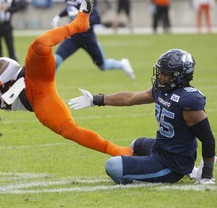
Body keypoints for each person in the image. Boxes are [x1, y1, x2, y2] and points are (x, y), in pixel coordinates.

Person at [0, 0, 133, 157]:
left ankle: (78, 23)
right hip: (37, 101)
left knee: (40, 45)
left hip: (32, 77)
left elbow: (12, 66)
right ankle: (119, 151)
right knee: (69, 130)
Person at [68, 49, 216, 184]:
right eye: (160, 71)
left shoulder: (188, 101)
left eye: (165, 74)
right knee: (135, 144)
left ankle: (174, 174)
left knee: (113, 166)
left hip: (172, 164)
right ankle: (173, 170)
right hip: (161, 149)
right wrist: (96, 99)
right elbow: (130, 98)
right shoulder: (162, 90)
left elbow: (208, 140)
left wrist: (207, 176)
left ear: (180, 76)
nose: (159, 76)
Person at [50, 0, 135, 79]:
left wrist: (81, 19)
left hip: (88, 39)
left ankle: (122, 64)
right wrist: (58, 16)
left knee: (103, 66)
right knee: (56, 60)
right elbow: (71, 7)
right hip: (73, 37)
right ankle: (49, 86)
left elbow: (96, 18)